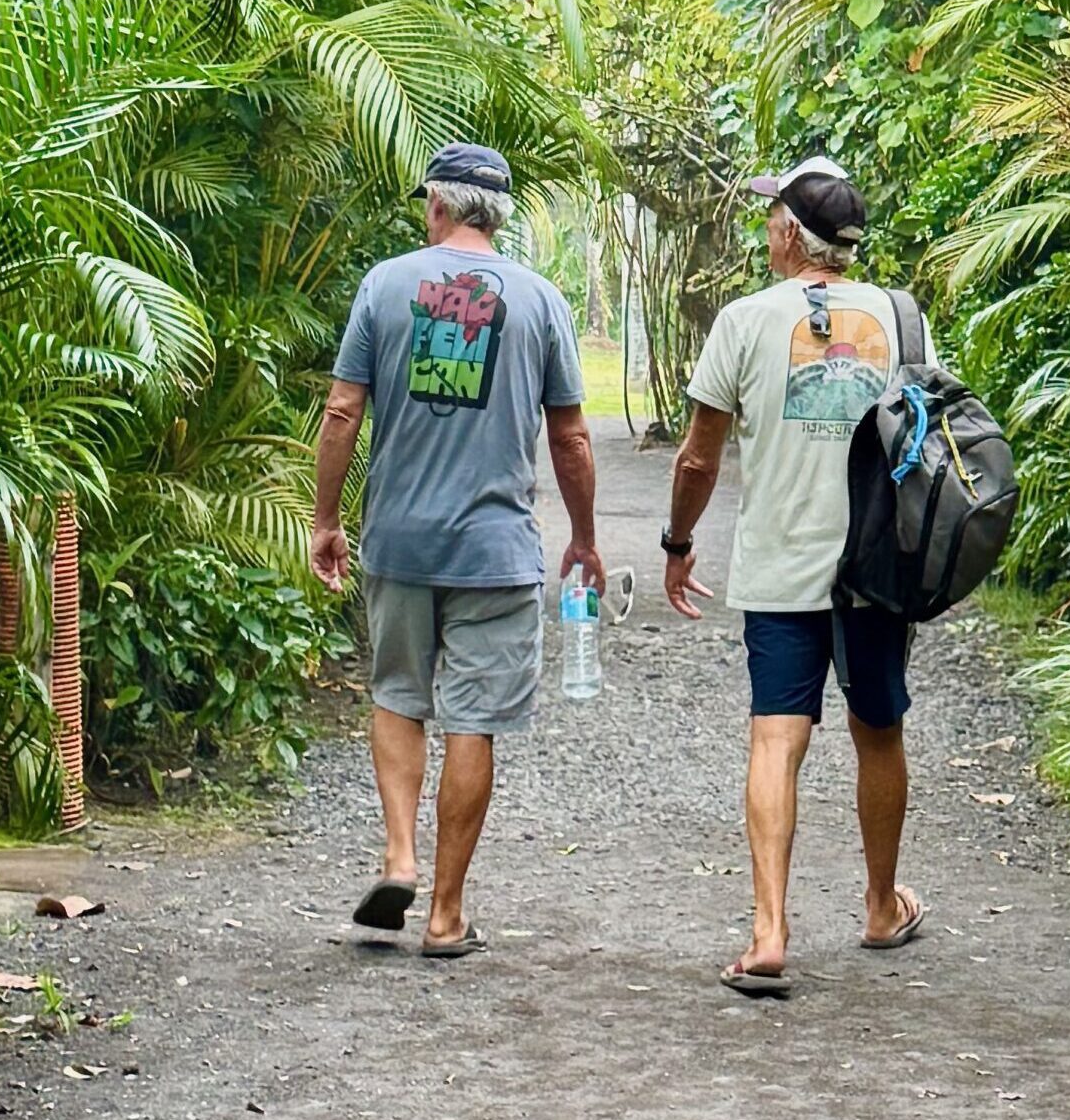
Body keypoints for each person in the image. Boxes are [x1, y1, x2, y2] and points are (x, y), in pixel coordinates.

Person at [312, 142, 602, 959]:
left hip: (399, 538)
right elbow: (572, 437)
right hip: (495, 548)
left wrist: (326, 518)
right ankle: (445, 915)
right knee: (473, 720)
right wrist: (582, 538)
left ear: (436, 207)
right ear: (498, 216)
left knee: (399, 693)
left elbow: (341, 412)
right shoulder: (541, 299)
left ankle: (398, 854)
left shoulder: (384, 285)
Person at [661, 156, 925, 996]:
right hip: (877, 568)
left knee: (778, 736)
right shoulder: (900, 316)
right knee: (878, 729)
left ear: (786, 235)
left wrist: (678, 541)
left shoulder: (744, 319)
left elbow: (700, 456)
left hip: (781, 561)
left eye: (772, 220)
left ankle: (769, 933)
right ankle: (881, 904)